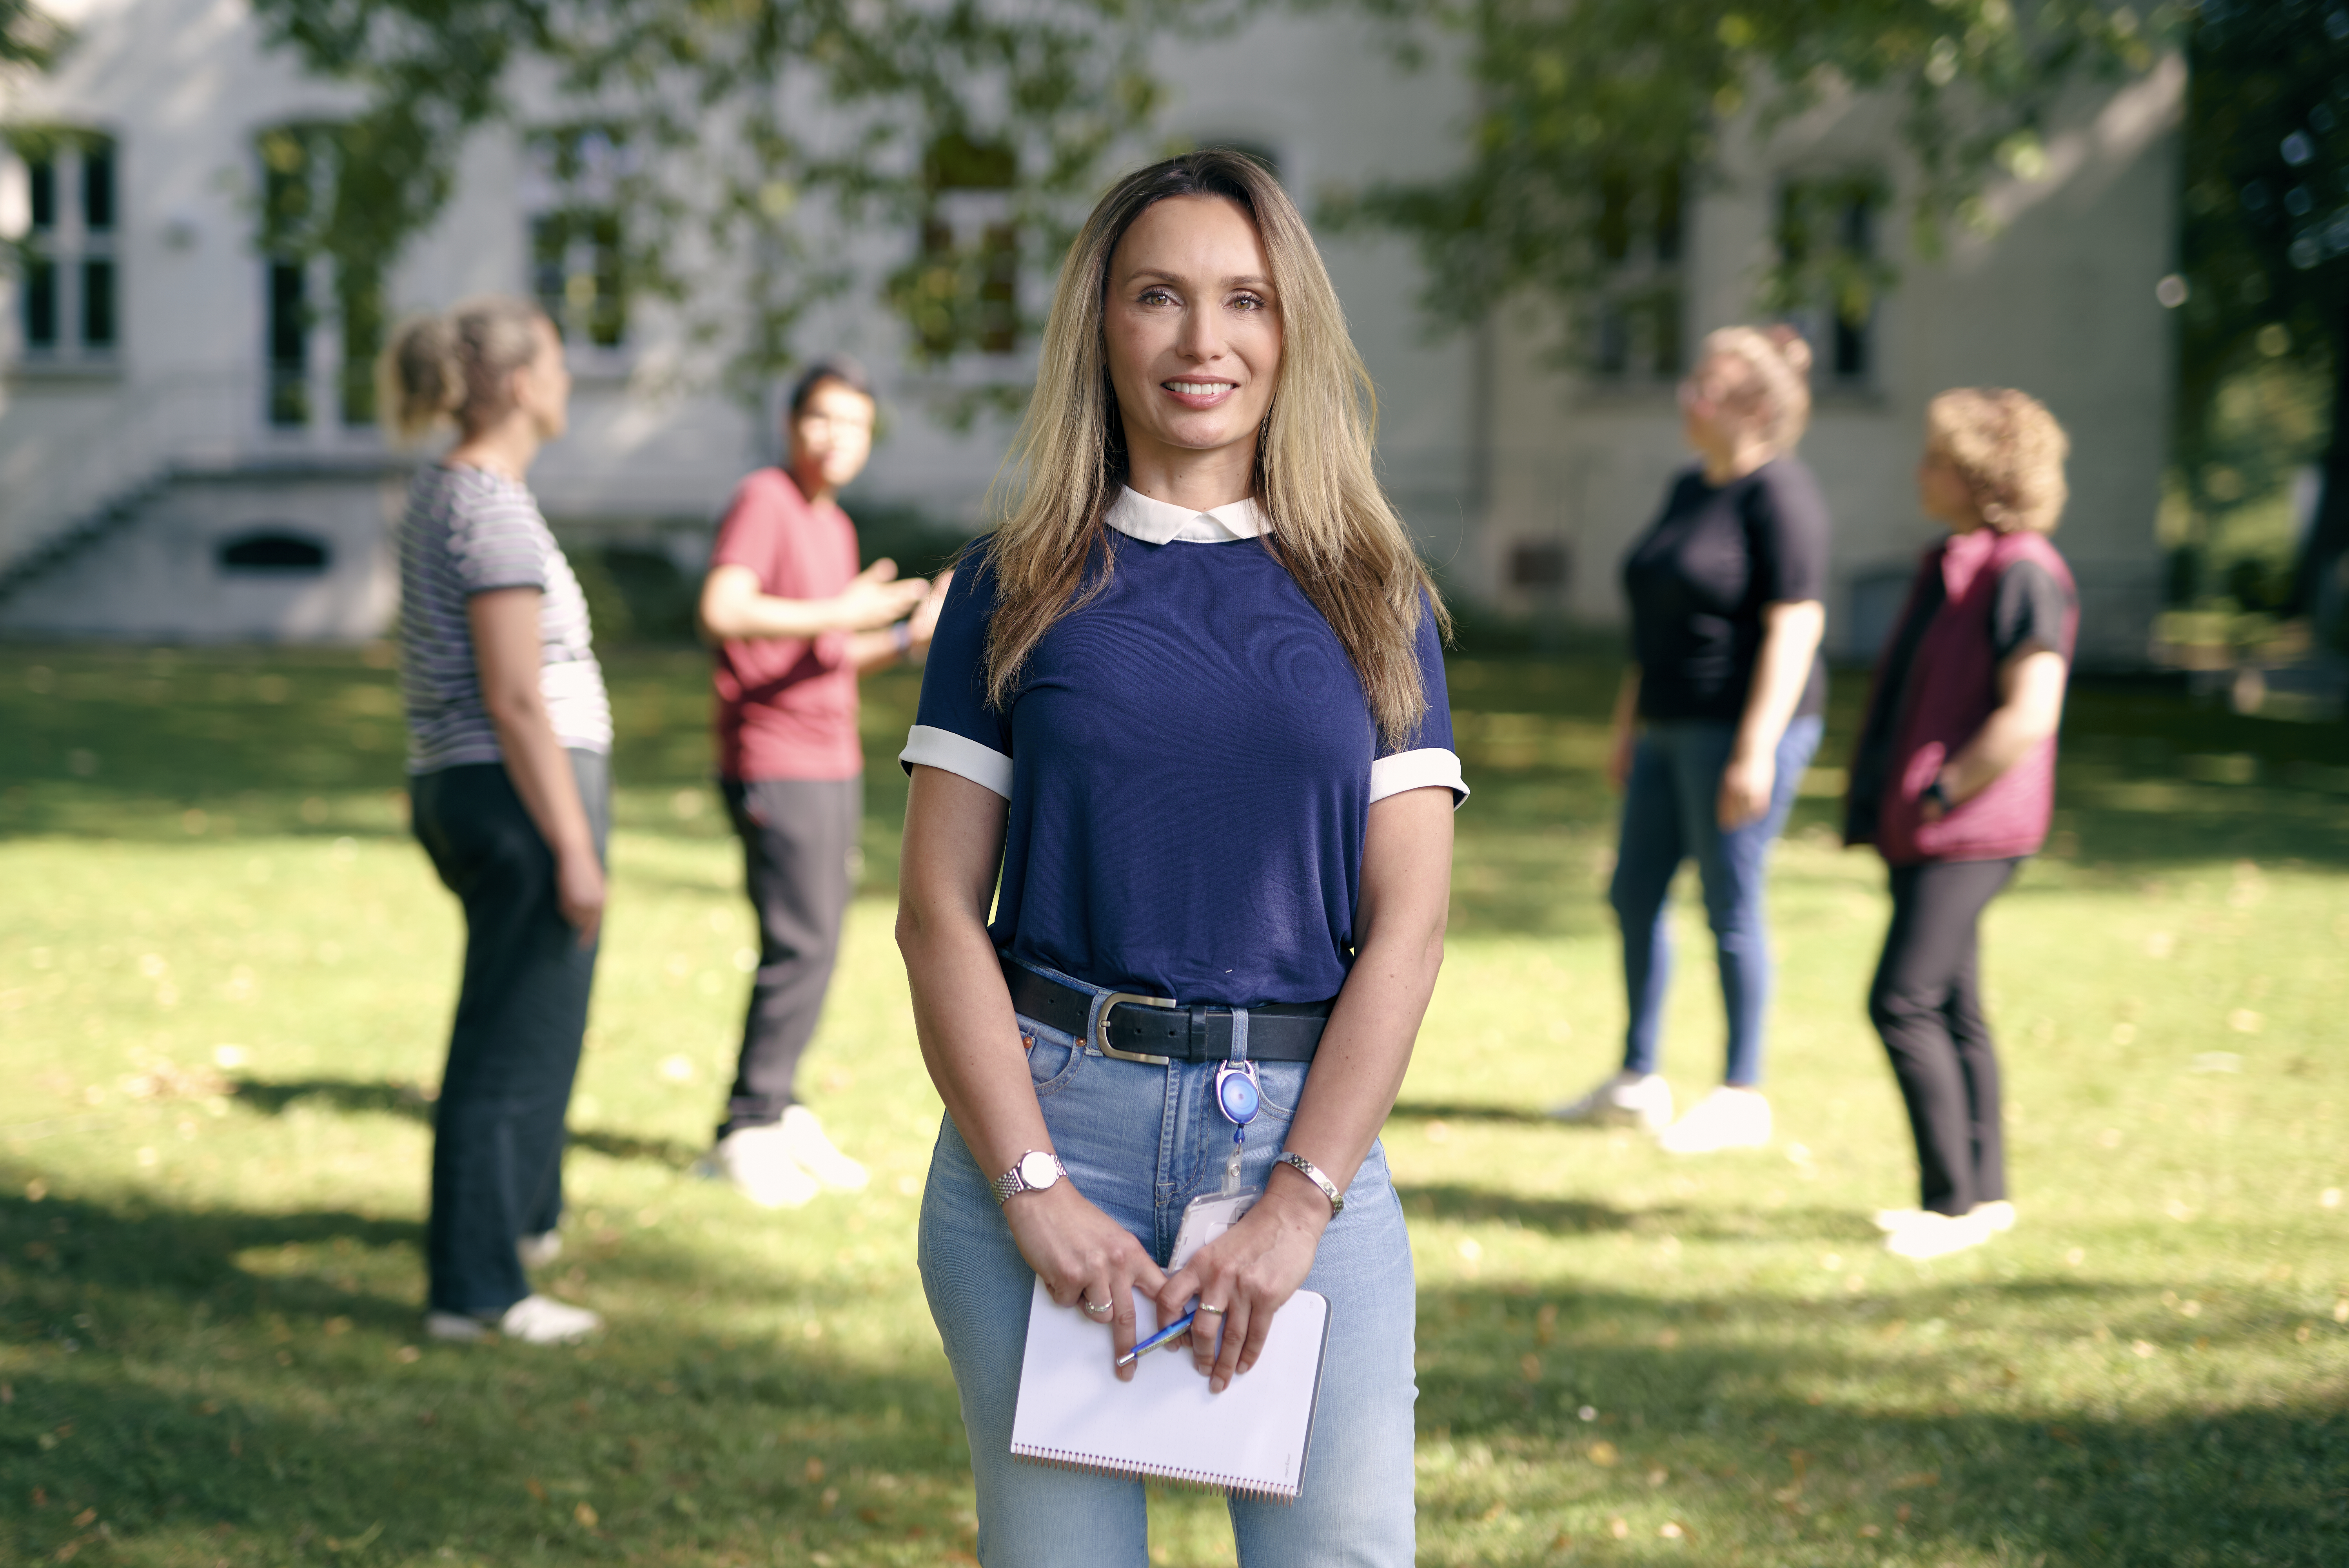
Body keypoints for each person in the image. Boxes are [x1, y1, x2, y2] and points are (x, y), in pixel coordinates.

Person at [895, 150, 1463, 1567]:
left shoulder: (1377, 597)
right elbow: (935, 918)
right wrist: (1034, 1189)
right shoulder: (1011, 583)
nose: (1203, 343)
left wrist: (1293, 1207)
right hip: (1048, 1140)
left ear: (1292, 333)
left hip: (1301, 1155)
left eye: (1244, 302)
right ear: (1103, 324)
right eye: (1159, 297)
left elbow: (1408, 930)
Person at [383, 296, 608, 1345]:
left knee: (520, 1031)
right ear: (519, 383)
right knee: (507, 1045)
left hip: (479, 784)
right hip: (520, 794)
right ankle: (477, 1291)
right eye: (557, 364)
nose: (566, 382)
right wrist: (572, 844)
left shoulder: (453, 492)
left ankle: (515, 1231)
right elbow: (515, 696)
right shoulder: (490, 505)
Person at [1552, 326, 1829, 1153]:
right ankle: (1639, 1078)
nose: (1688, 399)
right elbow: (1657, 625)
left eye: (1705, 387)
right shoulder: (1687, 489)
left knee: (1730, 906)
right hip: (1667, 727)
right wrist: (1628, 724)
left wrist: (1757, 747)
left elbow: (1796, 627)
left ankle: (1743, 1093)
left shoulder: (1781, 495)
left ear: (1753, 406)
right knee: (1633, 893)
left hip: (1738, 731)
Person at [695, 357, 951, 1208]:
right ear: (791, 423)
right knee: (798, 944)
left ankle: (785, 1104)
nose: (837, 438)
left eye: (856, 426)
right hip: (773, 759)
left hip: (830, 757)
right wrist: (839, 612)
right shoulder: (765, 500)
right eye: (823, 419)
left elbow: (831, 660)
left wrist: (914, 639)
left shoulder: (831, 525)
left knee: (822, 940)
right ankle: (748, 1123)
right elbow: (725, 611)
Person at [1844, 388, 2075, 1261]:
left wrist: (1945, 791)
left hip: (1972, 829)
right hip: (1938, 826)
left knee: (1901, 999)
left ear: (1983, 478)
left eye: (1939, 459)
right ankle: (1986, 1198)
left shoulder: (2024, 571)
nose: (1921, 472)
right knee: (1955, 1003)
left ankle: (1949, 1207)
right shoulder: (1959, 562)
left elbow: (2032, 710)